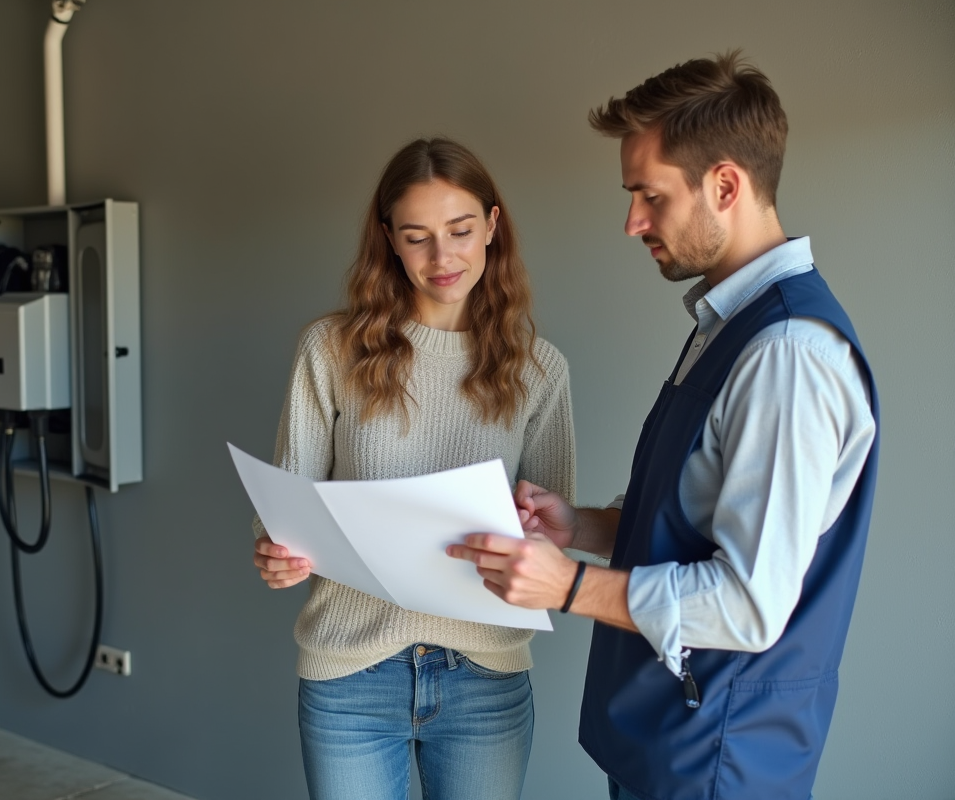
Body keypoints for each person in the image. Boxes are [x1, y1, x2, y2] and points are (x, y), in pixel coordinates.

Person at [448, 52, 879, 800]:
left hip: (719, 762)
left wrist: (569, 585)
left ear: (724, 185)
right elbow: (696, 524)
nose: (631, 222)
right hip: (673, 745)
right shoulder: (730, 326)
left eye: (649, 196)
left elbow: (747, 604)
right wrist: (578, 526)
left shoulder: (786, 354)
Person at [251, 137, 576, 800]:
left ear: (492, 225)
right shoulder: (330, 349)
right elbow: (284, 505)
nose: (442, 257)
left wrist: (531, 536)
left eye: (460, 230)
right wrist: (277, 551)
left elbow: (551, 533)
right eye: (416, 236)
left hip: (485, 675)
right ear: (388, 241)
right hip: (350, 672)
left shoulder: (540, 369)